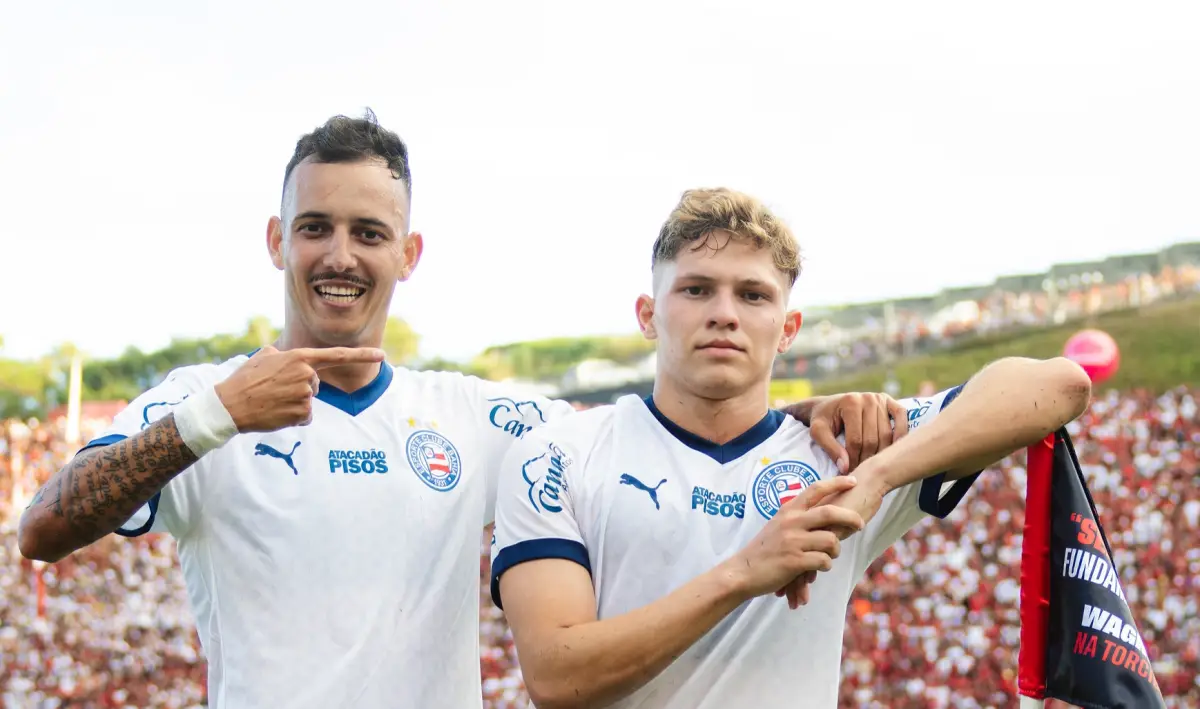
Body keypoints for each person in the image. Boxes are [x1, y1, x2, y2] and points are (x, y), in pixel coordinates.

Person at [17, 113, 906, 708]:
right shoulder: (197, 401)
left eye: (369, 233)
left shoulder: (474, 416)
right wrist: (215, 417)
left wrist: (802, 408)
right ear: (277, 240)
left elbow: (662, 420)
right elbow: (44, 528)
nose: (340, 254)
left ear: (408, 254)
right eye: (316, 227)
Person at [489, 187, 1093, 709]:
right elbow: (557, 678)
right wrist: (744, 574)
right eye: (696, 290)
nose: (725, 314)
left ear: (788, 329)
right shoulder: (560, 454)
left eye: (753, 295)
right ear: (648, 315)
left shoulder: (846, 453)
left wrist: (875, 479)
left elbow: (1058, 385)